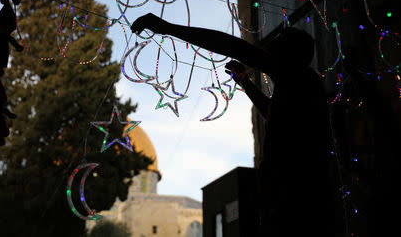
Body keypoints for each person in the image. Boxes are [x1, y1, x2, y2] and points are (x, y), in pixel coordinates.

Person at [131, 13, 333, 235]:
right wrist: (245, 82)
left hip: (296, 199)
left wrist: (169, 27)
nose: (269, 44)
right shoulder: (300, 85)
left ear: (290, 55)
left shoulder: (297, 78)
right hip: (289, 195)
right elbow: (271, 112)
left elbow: (231, 46)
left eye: (279, 40)